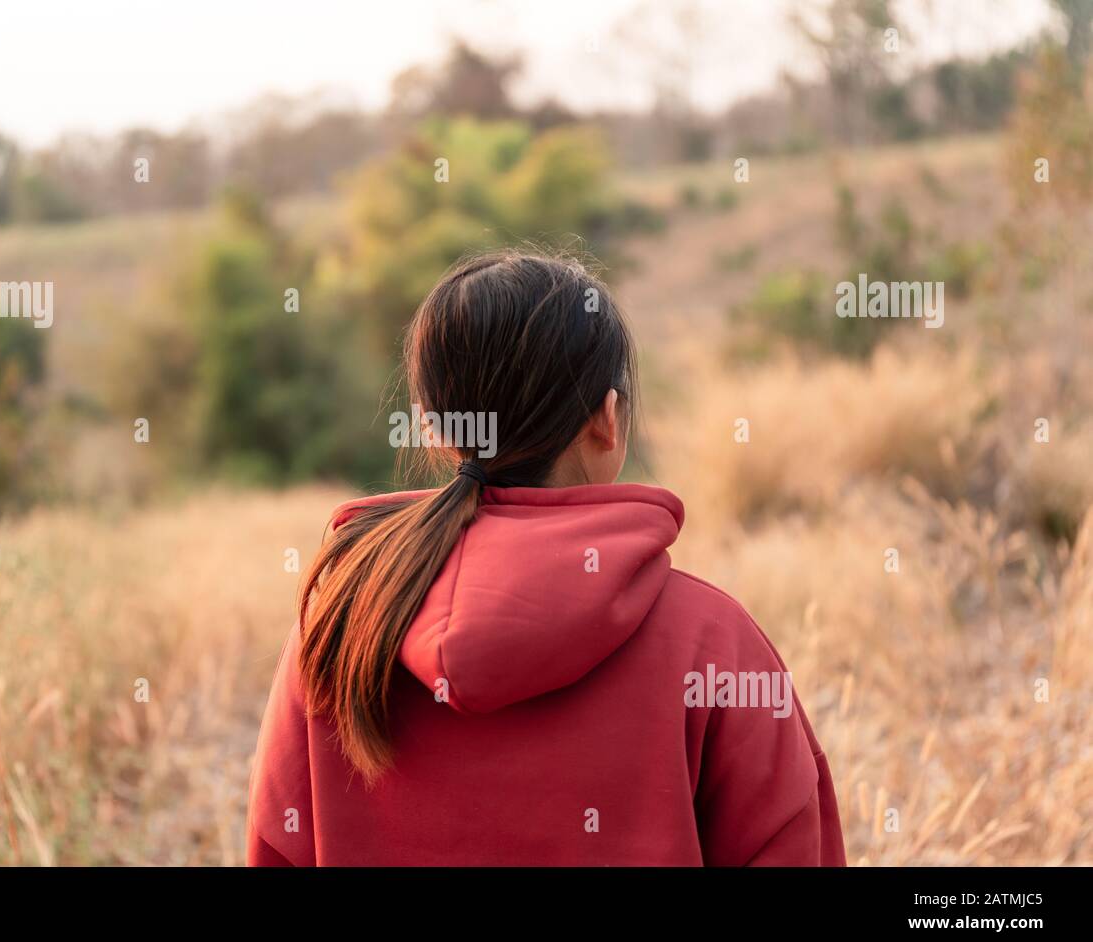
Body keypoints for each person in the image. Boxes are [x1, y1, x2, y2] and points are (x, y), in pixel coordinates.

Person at [247, 250, 845, 866]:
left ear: (432, 429)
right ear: (607, 420)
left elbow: (277, 848)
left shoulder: (342, 626)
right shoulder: (712, 642)